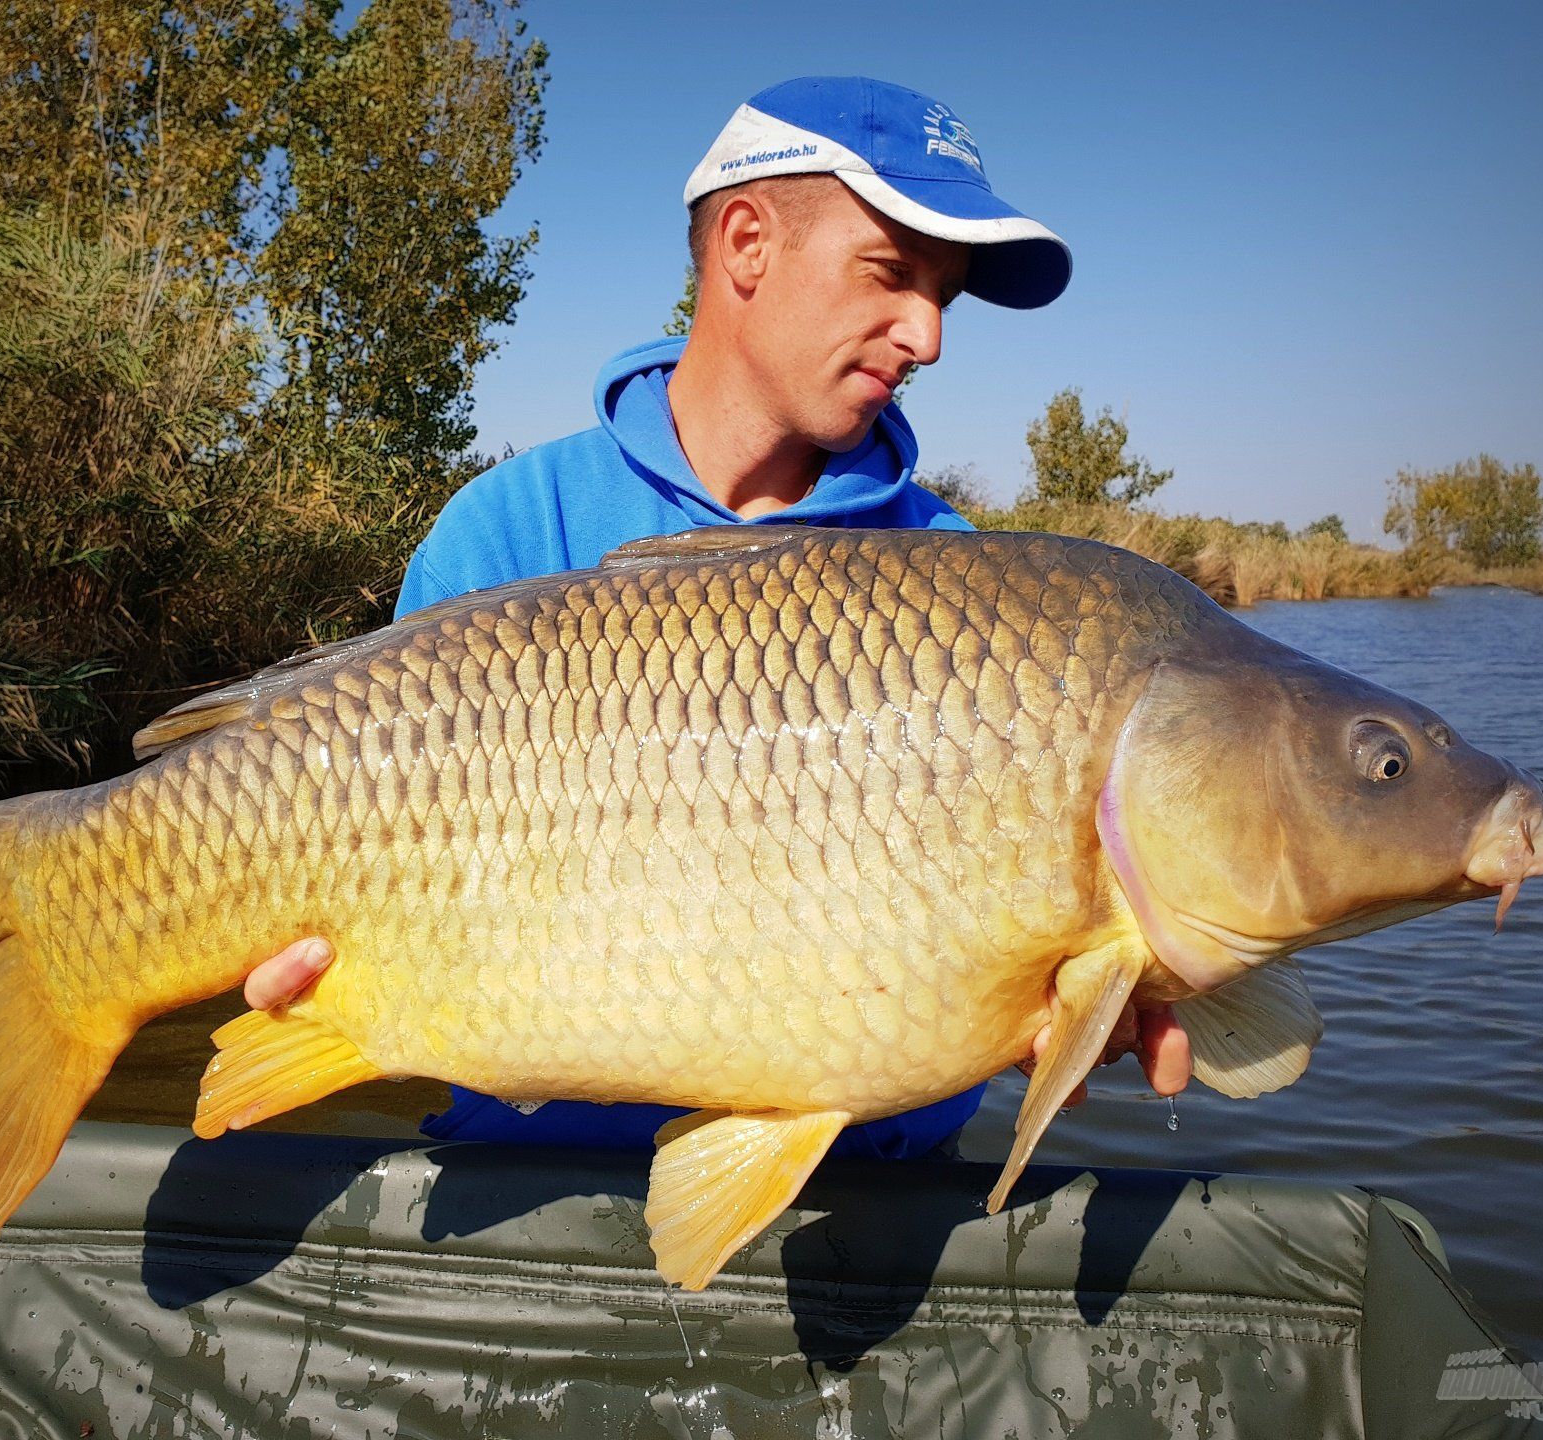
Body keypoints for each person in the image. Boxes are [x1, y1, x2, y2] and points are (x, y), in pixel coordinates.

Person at [239, 75, 1191, 1154]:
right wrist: (288, 971)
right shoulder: (510, 528)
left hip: (864, 1221)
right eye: (892, 274)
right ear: (747, 243)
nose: (927, 337)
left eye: (947, 295)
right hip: (525, 1205)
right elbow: (326, 847)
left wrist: (1064, 1013)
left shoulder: (965, 588)